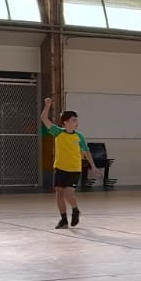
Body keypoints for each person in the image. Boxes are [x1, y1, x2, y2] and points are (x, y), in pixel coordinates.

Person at [41, 98, 95, 229]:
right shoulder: (58, 132)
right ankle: (63, 220)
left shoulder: (79, 136)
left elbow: (86, 151)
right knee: (59, 194)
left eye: (76, 120)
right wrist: (47, 106)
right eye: (73, 120)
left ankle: (75, 210)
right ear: (65, 122)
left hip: (74, 169)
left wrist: (93, 166)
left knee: (68, 193)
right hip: (60, 168)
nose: (76, 122)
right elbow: (44, 119)